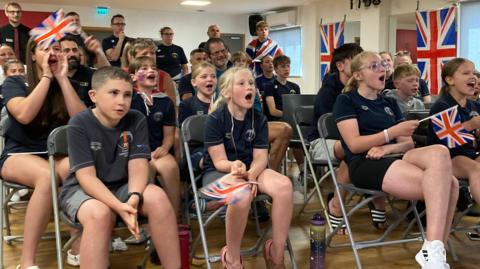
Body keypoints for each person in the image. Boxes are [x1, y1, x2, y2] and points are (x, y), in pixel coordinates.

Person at [334, 51, 457, 269]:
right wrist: (389, 133)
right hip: (364, 163)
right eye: (374, 66)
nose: (382, 69)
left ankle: (433, 249)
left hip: (393, 155)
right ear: (358, 75)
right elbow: (353, 144)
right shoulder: (346, 100)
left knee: (439, 151)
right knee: (450, 184)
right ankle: (436, 252)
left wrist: (387, 146)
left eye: (382, 65)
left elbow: (407, 143)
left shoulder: (389, 102)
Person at [58, 66, 181, 269]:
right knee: (100, 214)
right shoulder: (79, 123)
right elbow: (86, 177)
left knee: (158, 198)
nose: (121, 101)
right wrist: (118, 207)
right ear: (93, 95)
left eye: (127, 95)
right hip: (83, 190)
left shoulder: (136, 118)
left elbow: (139, 166)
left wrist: (133, 199)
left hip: (123, 187)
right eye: (113, 93)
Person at [0, 38, 86, 269]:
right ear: (33, 55)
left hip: (54, 155)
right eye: (45, 48)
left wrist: (62, 79)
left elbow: (82, 122)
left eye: (56, 49)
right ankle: (26, 262)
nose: (52, 53)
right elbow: (25, 115)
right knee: (47, 177)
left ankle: (78, 246)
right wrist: (47, 77)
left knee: (78, 169)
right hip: (18, 155)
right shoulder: (15, 83)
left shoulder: (70, 84)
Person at [203, 67, 293, 268]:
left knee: (284, 186)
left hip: (251, 170)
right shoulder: (215, 119)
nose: (249, 87)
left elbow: (261, 157)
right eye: (241, 83)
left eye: (251, 83)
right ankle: (232, 258)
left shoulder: (258, 119)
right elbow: (219, 162)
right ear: (226, 92)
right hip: (220, 172)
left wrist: (251, 175)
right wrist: (234, 167)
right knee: (241, 194)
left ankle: (276, 254)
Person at [308, 43, 370, 233]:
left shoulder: (362, 89)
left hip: (351, 143)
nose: (361, 63)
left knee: (360, 148)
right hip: (322, 141)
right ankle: (340, 204)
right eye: (355, 59)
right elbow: (331, 128)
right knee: (354, 147)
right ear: (340, 66)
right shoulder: (328, 92)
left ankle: (337, 200)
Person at [128, 56, 181, 216]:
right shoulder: (128, 100)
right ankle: (145, 220)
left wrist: (165, 147)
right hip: (135, 153)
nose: (151, 70)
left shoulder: (165, 102)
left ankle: (173, 216)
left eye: (153, 68)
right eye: (143, 68)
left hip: (158, 151)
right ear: (133, 77)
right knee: (146, 170)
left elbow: (169, 135)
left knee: (170, 167)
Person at [427, 58, 480, 211]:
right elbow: (449, 141)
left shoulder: (475, 105)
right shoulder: (443, 106)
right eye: (466, 73)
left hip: (470, 155)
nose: (473, 77)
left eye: (474, 73)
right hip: (446, 158)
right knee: (475, 169)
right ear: (450, 80)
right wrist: (472, 125)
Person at [60, 35, 110, 107]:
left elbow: (110, 79)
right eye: (66, 51)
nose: (72, 54)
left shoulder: (90, 74)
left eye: (75, 50)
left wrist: (99, 52)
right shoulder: (55, 76)